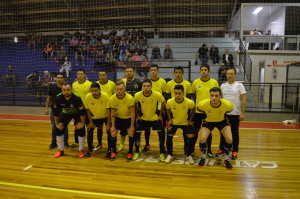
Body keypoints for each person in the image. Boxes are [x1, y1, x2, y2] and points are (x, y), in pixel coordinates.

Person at [197, 87, 233, 169]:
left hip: (222, 121)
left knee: (229, 139)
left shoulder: (227, 104)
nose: (214, 98)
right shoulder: (202, 104)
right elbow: (199, 109)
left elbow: (229, 110)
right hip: (208, 122)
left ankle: (226, 160)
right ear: (209, 96)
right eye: (212, 95)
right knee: (202, 139)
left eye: (216, 96)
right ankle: (203, 157)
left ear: (220, 97)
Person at [216, 68, 246, 160]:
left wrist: (242, 113)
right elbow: (219, 99)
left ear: (235, 75)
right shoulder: (223, 86)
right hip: (224, 114)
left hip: (235, 113)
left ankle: (235, 151)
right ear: (226, 75)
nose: (229, 75)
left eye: (231, 73)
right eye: (228, 73)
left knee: (234, 132)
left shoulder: (239, 85)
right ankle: (222, 149)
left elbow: (243, 99)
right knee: (223, 132)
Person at [134, 79, 166, 161]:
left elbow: (163, 102)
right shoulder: (138, 95)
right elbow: (135, 104)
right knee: (137, 134)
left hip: (155, 118)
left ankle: (162, 152)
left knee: (161, 134)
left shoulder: (156, 94)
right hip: (143, 118)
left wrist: (160, 115)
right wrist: (137, 115)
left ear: (151, 87)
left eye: (148, 86)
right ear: (142, 87)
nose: (146, 88)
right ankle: (137, 151)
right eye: (144, 86)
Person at [191, 64, 219, 158]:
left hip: (209, 112)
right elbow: (193, 95)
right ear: (200, 71)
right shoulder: (195, 82)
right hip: (198, 112)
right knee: (195, 131)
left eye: (205, 70)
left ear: (209, 71)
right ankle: (191, 150)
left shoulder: (214, 82)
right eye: (202, 70)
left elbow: (217, 96)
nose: (203, 71)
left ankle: (209, 150)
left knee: (208, 132)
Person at [52, 82, 86, 158]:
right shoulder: (58, 98)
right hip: (66, 113)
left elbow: (82, 112)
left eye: (68, 90)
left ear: (71, 90)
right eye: (64, 90)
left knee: (81, 129)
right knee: (58, 129)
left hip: (77, 113)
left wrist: (82, 124)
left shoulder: (77, 98)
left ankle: (81, 150)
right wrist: (57, 124)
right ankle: (60, 150)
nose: (66, 92)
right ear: (62, 90)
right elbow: (55, 113)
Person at [165, 85, 195, 164]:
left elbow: (193, 109)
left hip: (185, 122)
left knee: (191, 136)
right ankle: (169, 154)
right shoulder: (170, 102)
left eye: (179, 93)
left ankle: (189, 155)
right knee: (169, 136)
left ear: (183, 93)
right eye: (176, 93)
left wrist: (190, 120)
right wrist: (170, 119)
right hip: (174, 122)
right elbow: (167, 109)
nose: (177, 95)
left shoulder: (189, 102)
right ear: (173, 93)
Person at [109, 80, 135, 161]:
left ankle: (130, 152)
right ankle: (113, 152)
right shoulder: (112, 98)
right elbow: (112, 114)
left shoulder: (130, 98)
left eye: (121, 89)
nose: (119, 91)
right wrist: (113, 126)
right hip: (118, 119)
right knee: (113, 133)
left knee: (131, 133)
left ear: (125, 89)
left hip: (128, 118)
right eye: (117, 89)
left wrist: (132, 126)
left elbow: (133, 113)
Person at [84, 83, 111, 159]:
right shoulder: (88, 97)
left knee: (109, 132)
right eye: (92, 91)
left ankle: (109, 151)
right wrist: (90, 122)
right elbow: (87, 110)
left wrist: (108, 124)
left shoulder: (105, 96)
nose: (94, 92)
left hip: (105, 116)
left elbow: (109, 110)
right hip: (94, 117)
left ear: (99, 90)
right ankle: (90, 151)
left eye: (96, 91)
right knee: (89, 130)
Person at [118, 66, 142, 152]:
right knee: (123, 129)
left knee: (134, 129)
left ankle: (135, 147)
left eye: (130, 71)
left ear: (134, 72)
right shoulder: (122, 82)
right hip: (123, 109)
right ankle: (122, 144)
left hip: (135, 109)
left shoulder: (138, 82)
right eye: (127, 71)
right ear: (125, 72)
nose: (129, 73)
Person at [144, 64, 167, 152]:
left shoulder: (163, 82)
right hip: (147, 108)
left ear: (157, 71)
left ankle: (162, 147)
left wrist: (162, 110)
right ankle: (147, 145)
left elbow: (164, 96)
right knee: (147, 128)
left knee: (160, 130)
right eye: (151, 70)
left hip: (159, 109)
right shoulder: (146, 81)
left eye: (154, 70)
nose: (153, 71)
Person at [45, 72, 69, 150]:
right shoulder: (52, 87)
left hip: (64, 111)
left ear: (63, 79)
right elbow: (48, 98)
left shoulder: (66, 87)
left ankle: (65, 143)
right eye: (58, 77)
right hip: (54, 111)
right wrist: (46, 108)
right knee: (54, 127)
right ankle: (53, 143)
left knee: (64, 127)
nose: (59, 79)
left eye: (60, 77)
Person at [70, 69, 92, 148]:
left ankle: (90, 143)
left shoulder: (89, 84)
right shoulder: (73, 84)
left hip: (87, 109)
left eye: (81, 74)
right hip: (77, 110)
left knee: (88, 126)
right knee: (77, 126)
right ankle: (76, 142)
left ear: (84, 74)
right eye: (78, 74)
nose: (79, 75)